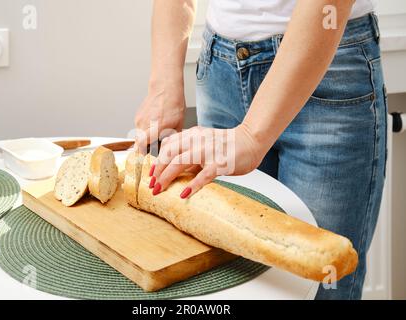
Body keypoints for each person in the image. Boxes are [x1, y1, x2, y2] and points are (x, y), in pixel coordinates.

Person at [134, 0, 387, 300]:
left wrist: (252, 136)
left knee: (322, 290)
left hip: (326, 63)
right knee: (227, 290)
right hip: (222, 68)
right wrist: (163, 84)